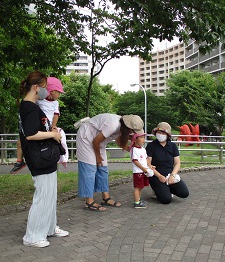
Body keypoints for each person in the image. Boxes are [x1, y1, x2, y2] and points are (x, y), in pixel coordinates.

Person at [19, 71, 69, 248]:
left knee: (50, 195)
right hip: (38, 157)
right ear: (36, 87)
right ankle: (32, 236)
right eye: (45, 87)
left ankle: (49, 228)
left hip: (44, 157)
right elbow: (31, 135)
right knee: (42, 196)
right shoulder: (29, 108)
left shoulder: (30, 106)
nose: (46, 91)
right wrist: (53, 135)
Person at [76, 113, 144, 211]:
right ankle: (89, 202)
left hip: (97, 140)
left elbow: (118, 141)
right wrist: (98, 157)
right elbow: (95, 141)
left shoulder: (122, 127)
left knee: (103, 169)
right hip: (86, 138)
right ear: (129, 128)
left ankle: (106, 197)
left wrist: (132, 150)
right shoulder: (113, 125)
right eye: (134, 132)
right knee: (89, 169)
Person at [10, 77, 68, 174]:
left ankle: (62, 157)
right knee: (20, 143)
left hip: (47, 127)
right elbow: (31, 133)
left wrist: (53, 126)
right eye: (59, 92)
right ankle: (19, 161)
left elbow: (56, 115)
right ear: (52, 91)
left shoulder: (55, 103)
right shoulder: (36, 103)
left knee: (58, 141)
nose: (59, 95)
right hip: (39, 128)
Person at [146, 122, 189, 204]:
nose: (160, 134)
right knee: (166, 200)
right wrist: (159, 176)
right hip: (156, 175)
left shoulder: (172, 146)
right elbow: (148, 164)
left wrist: (172, 176)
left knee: (184, 193)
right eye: (159, 132)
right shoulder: (151, 146)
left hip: (169, 174)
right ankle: (158, 190)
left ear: (167, 135)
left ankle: (166, 188)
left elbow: (177, 163)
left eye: (163, 133)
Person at [129, 132, 153, 208]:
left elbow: (146, 159)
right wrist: (144, 169)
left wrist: (150, 166)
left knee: (141, 186)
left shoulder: (143, 149)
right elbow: (135, 161)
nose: (143, 139)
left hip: (144, 172)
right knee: (137, 187)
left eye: (144, 137)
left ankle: (138, 199)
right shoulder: (134, 149)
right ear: (135, 139)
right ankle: (136, 202)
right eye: (141, 137)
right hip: (138, 172)